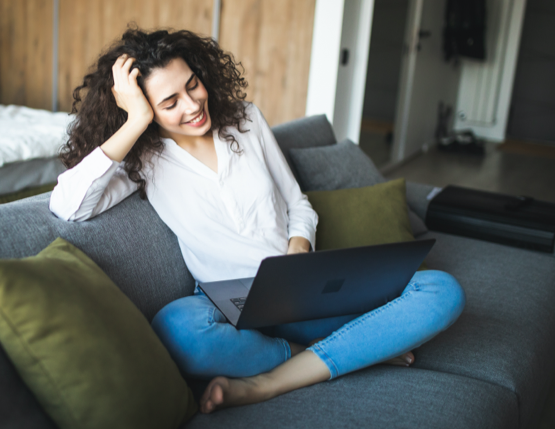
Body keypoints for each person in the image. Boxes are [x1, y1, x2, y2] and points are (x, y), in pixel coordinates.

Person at [50, 27, 466, 414]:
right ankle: (351, 348)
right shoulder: (141, 159)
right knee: (177, 329)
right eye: (169, 102)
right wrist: (136, 121)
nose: (193, 105)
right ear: (144, 109)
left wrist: (298, 250)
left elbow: (297, 203)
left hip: (299, 284)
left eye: (192, 84)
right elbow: (68, 205)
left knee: (441, 290)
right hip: (230, 300)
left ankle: (270, 382)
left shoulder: (245, 120)